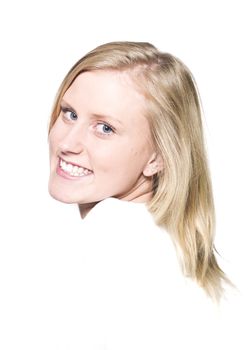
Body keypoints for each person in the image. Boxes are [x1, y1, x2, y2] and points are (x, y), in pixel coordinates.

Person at [47, 41, 234, 349]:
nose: (68, 142)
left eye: (105, 128)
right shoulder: (172, 244)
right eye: (69, 113)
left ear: (157, 157)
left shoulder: (111, 231)